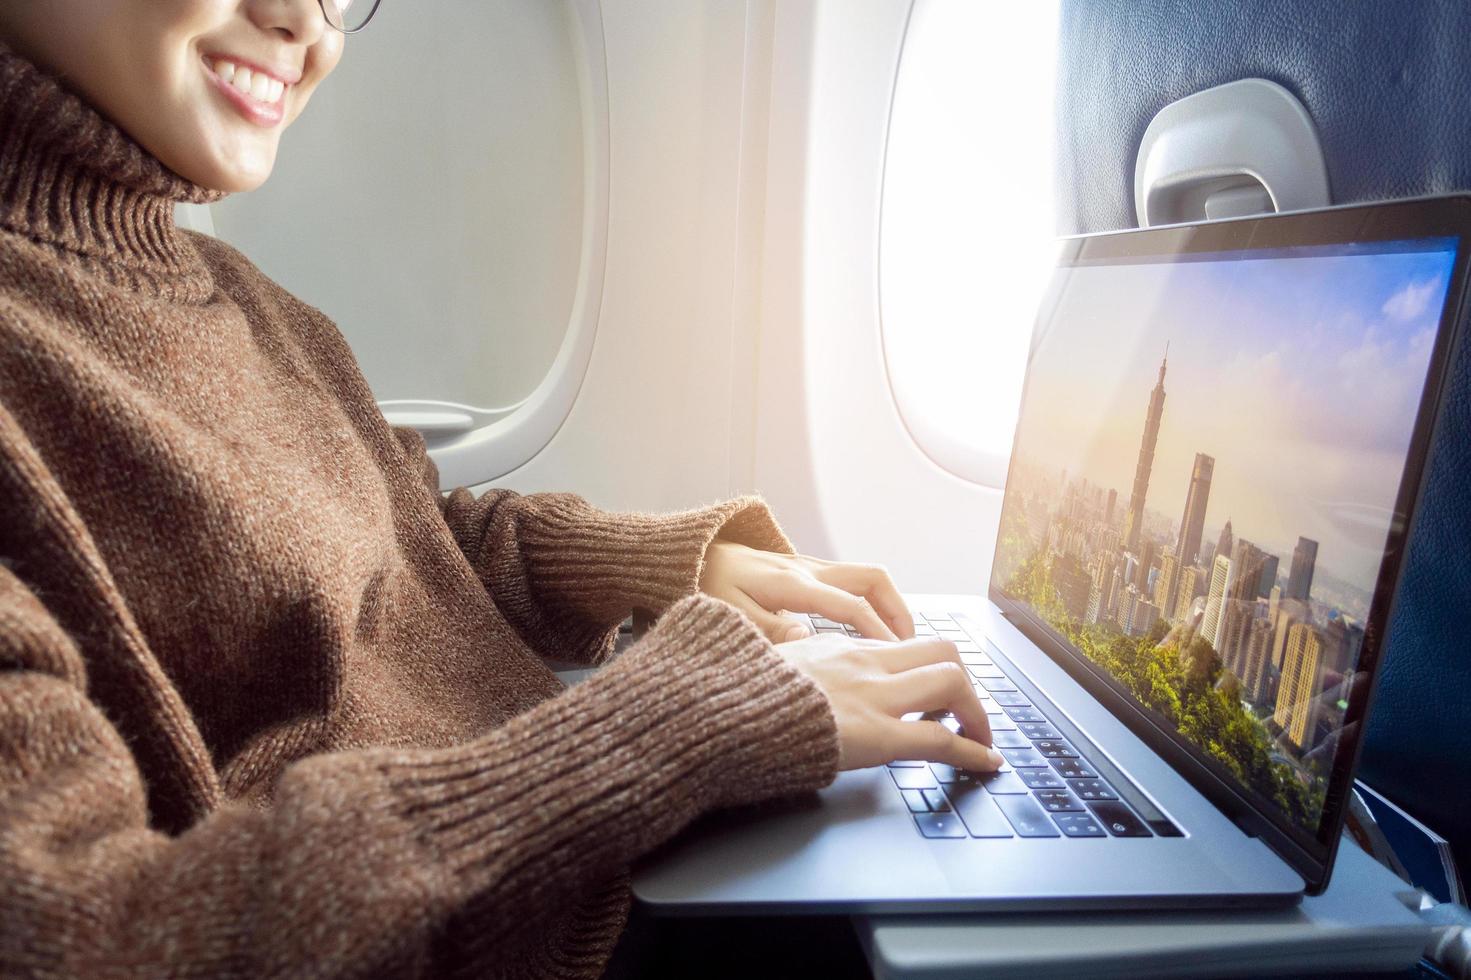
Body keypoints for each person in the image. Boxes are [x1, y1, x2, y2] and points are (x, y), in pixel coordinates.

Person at [0, 0, 1002, 975]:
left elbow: (411, 540)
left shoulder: (256, 308)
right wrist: (667, 725)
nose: (307, 22)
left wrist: (650, 569)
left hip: (577, 841)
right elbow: (91, 933)